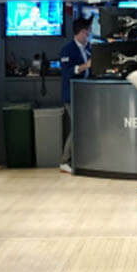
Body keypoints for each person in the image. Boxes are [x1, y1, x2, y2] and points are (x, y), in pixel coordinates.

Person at [58, 17, 92, 174]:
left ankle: (80, 159)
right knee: (76, 127)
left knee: (82, 127)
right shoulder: (67, 50)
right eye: (87, 32)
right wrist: (86, 66)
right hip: (71, 95)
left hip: (85, 94)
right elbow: (67, 72)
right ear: (80, 32)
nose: (89, 35)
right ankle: (65, 161)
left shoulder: (88, 48)